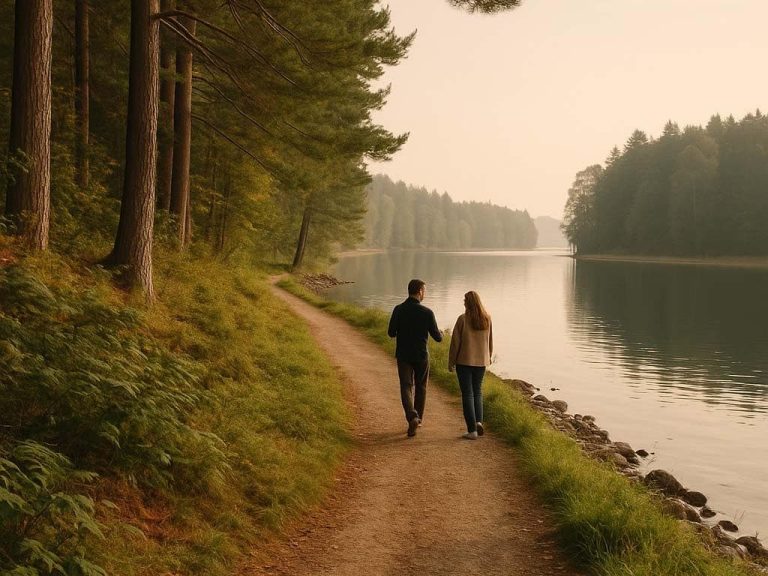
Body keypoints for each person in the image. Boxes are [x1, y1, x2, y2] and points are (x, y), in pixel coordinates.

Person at [388, 279, 443, 437]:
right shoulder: (427, 312)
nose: (425, 293)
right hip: (421, 356)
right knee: (421, 387)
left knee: (406, 387)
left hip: (403, 355)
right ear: (419, 291)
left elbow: (391, 333)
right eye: (424, 290)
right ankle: (418, 419)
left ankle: (411, 416)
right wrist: (442, 333)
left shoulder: (398, 309)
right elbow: (437, 338)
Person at [448, 291, 493, 440]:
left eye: (464, 300)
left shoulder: (462, 319)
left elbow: (455, 343)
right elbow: (490, 341)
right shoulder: (487, 319)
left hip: (464, 361)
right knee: (477, 392)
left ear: (468, 302)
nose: (463, 302)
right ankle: (479, 421)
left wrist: (451, 362)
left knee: (467, 394)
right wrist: (489, 357)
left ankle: (472, 430)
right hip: (481, 362)